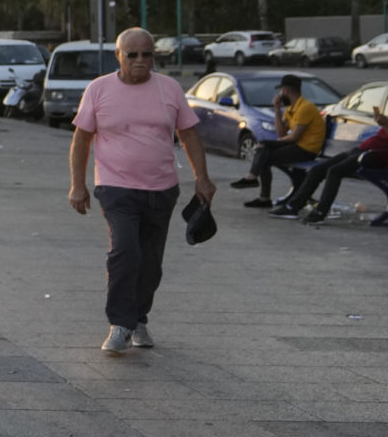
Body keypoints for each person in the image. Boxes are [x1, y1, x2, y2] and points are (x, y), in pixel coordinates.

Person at [69, 27, 215, 355]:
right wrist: (78, 185)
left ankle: (138, 318)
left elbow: (189, 135)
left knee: (151, 262)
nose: (139, 60)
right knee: (125, 251)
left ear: (153, 56)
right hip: (115, 187)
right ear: (117, 56)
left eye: (146, 54)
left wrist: (202, 179)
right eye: (131, 54)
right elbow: (81, 140)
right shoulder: (98, 89)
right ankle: (119, 324)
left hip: (161, 190)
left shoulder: (170, 89)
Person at [268, 105, 388, 224]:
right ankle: (293, 207)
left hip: (373, 156)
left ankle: (320, 212)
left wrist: (385, 124)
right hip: (360, 150)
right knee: (316, 170)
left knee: (334, 172)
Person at [230, 74, 326, 208]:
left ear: (286, 91)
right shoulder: (291, 108)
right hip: (297, 147)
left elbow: (295, 137)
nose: (279, 94)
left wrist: (276, 143)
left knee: (264, 152)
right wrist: (276, 111)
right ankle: (256, 185)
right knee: (263, 150)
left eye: (280, 91)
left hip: (307, 150)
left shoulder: (305, 107)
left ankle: (259, 189)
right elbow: (281, 133)